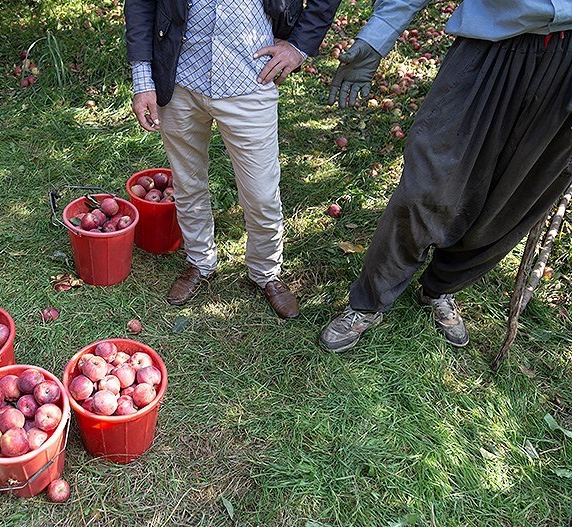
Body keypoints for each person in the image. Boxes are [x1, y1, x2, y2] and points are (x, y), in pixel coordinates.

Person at [320, 0, 572, 352]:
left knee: (512, 204)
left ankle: (440, 287)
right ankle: (369, 301)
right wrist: (377, 38)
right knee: (425, 188)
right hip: (491, 48)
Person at [124, 0, 341, 318]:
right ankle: (199, 261)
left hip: (251, 79)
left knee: (261, 194)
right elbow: (141, 4)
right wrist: (143, 80)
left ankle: (265, 272)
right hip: (179, 76)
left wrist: (299, 46)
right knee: (187, 182)